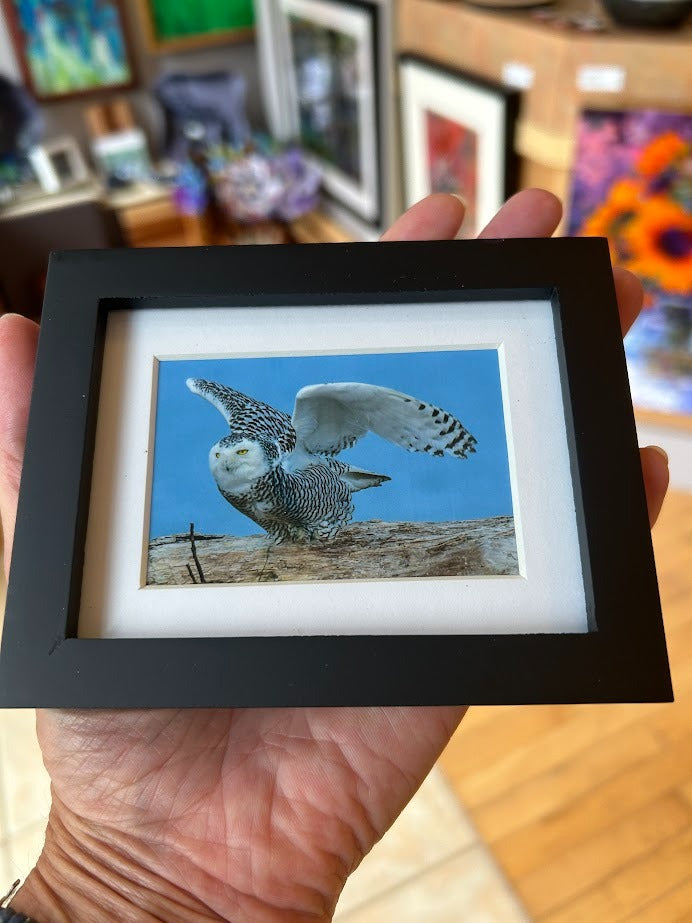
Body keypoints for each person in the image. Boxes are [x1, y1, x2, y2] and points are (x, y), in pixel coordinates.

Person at [0, 191, 669, 923]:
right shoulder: (236, 453)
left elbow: (315, 447)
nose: (233, 463)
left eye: (243, 454)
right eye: (226, 460)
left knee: (327, 420)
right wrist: (118, 869)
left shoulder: (297, 441)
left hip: (326, 486)